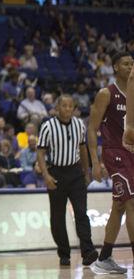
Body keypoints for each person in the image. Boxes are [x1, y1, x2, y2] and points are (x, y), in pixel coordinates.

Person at [37, 95, 97, 268]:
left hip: (75, 173)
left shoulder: (79, 124)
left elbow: (82, 148)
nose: (68, 109)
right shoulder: (48, 127)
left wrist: (86, 172)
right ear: (57, 107)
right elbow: (40, 153)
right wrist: (46, 175)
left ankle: (88, 251)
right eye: (64, 105)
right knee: (57, 218)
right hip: (56, 173)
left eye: (71, 106)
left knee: (81, 213)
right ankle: (64, 253)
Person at [87, 52, 133, 274]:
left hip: (132, 153)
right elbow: (91, 129)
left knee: (119, 206)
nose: (130, 66)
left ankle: (104, 258)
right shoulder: (106, 94)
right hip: (115, 153)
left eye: (132, 63)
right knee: (132, 201)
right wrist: (95, 162)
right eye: (126, 63)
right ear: (115, 67)